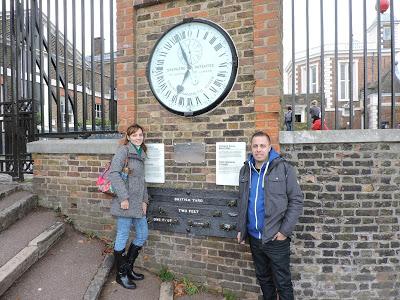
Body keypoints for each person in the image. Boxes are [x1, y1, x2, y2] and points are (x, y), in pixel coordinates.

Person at [237, 131, 303, 300]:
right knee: (264, 280)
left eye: (262, 146)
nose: (258, 149)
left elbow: (296, 201)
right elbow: (243, 201)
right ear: (251, 148)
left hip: (276, 238)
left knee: (283, 283)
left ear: (269, 148)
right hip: (254, 238)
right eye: (255, 146)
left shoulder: (284, 168)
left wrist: (284, 232)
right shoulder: (245, 170)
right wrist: (241, 228)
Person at [109, 123, 149, 289]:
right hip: (125, 203)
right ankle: (121, 274)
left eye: (140, 135)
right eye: (134, 135)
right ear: (128, 137)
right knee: (123, 235)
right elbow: (114, 174)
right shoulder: (123, 150)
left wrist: (145, 200)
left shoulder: (142, 153)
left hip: (138, 203)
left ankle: (128, 269)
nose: (138, 137)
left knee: (142, 234)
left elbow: (142, 181)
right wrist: (123, 197)